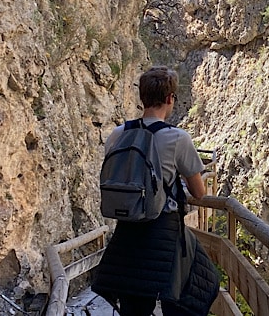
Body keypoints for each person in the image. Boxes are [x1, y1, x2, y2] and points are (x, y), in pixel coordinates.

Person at [92, 67, 218, 316]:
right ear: (170, 98)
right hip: (163, 231)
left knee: (133, 305)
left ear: (142, 98)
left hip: (127, 229)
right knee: (191, 287)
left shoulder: (119, 134)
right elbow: (199, 192)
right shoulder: (177, 138)